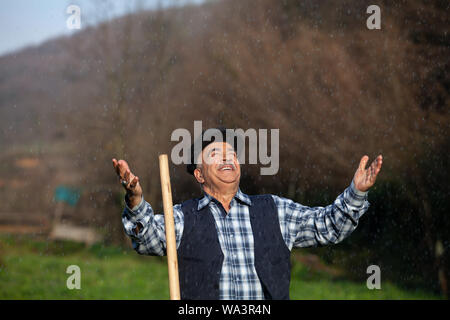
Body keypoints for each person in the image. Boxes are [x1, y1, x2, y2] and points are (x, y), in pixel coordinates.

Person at [112, 128, 383, 300]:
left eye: (232, 154)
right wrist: (135, 201)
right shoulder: (183, 218)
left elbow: (329, 227)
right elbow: (146, 239)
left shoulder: (275, 209)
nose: (228, 158)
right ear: (199, 174)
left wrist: (356, 192)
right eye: (216, 154)